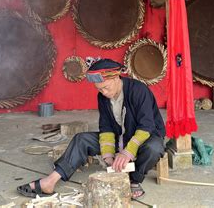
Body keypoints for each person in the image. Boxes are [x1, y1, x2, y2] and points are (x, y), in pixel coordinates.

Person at [17, 58, 166, 199]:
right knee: (81, 139)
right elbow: (106, 127)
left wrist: (127, 152)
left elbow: (147, 127)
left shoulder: (138, 90)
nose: (104, 93)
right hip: (119, 138)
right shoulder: (103, 96)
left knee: (154, 148)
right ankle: (50, 181)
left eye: (106, 88)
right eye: (100, 90)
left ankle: (133, 181)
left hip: (145, 138)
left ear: (116, 78)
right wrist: (107, 155)